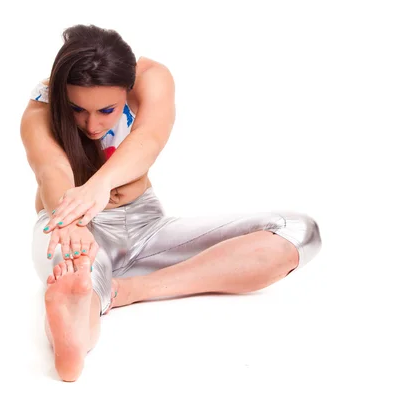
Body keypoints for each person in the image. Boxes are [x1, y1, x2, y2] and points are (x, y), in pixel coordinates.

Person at [20, 24, 322, 382]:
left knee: (299, 233)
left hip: (145, 224)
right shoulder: (41, 106)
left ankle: (128, 290)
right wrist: (71, 222)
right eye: (77, 109)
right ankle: (74, 333)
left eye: (106, 110)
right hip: (72, 227)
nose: (91, 124)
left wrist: (99, 184)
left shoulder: (152, 78)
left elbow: (149, 138)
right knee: (78, 278)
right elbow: (51, 168)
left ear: (127, 88)